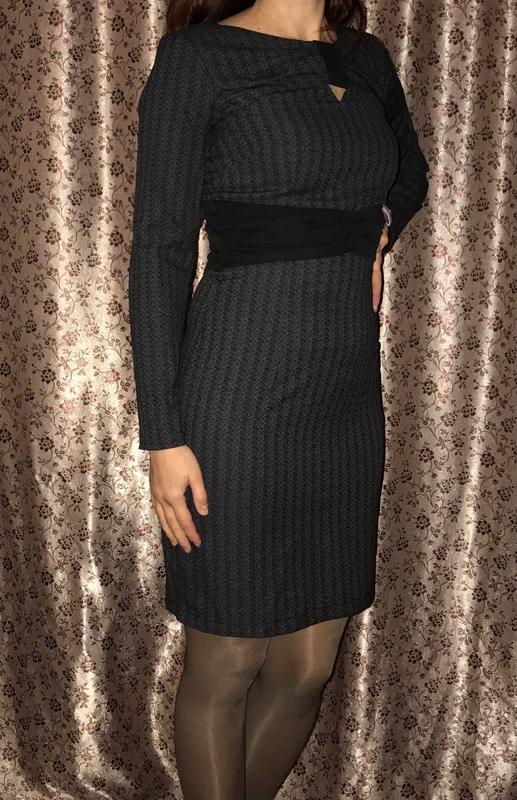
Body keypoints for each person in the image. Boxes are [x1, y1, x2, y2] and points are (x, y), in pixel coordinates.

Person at [128, 0, 429, 797]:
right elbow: (159, 246)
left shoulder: (365, 59)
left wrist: (379, 229)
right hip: (236, 389)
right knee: (227, 657)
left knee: (306, 666)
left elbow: (408, 171)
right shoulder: (198, 58)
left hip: (343, 393)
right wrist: (163, 435)